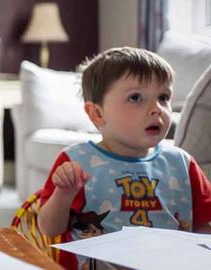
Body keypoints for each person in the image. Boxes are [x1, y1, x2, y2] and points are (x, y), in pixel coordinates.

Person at [37, 47, 211, 270]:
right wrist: (64, 193)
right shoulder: (76, 161)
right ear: (97, 114)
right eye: (136, 98)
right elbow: (49, 228)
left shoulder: (183, 164)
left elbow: (205, 228)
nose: (156, 109)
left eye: (163, 97)